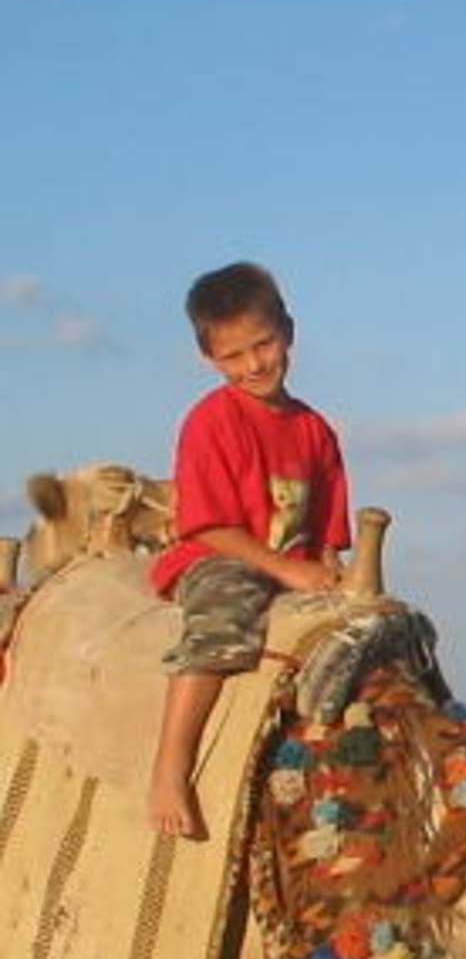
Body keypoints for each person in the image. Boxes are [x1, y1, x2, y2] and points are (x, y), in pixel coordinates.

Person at [148, 263, 350, 839]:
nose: (255, 364)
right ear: (209, 358)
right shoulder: (211, 421)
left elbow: (328, 533)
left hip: (291, 569)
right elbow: (207, 525)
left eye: (263, 344)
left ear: (288, 332)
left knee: (372, 631)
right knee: (224, 621)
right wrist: (285, 567)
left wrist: (332, 576)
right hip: (217, 559)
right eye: (234, 355)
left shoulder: (315, 431)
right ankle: (171, 765)